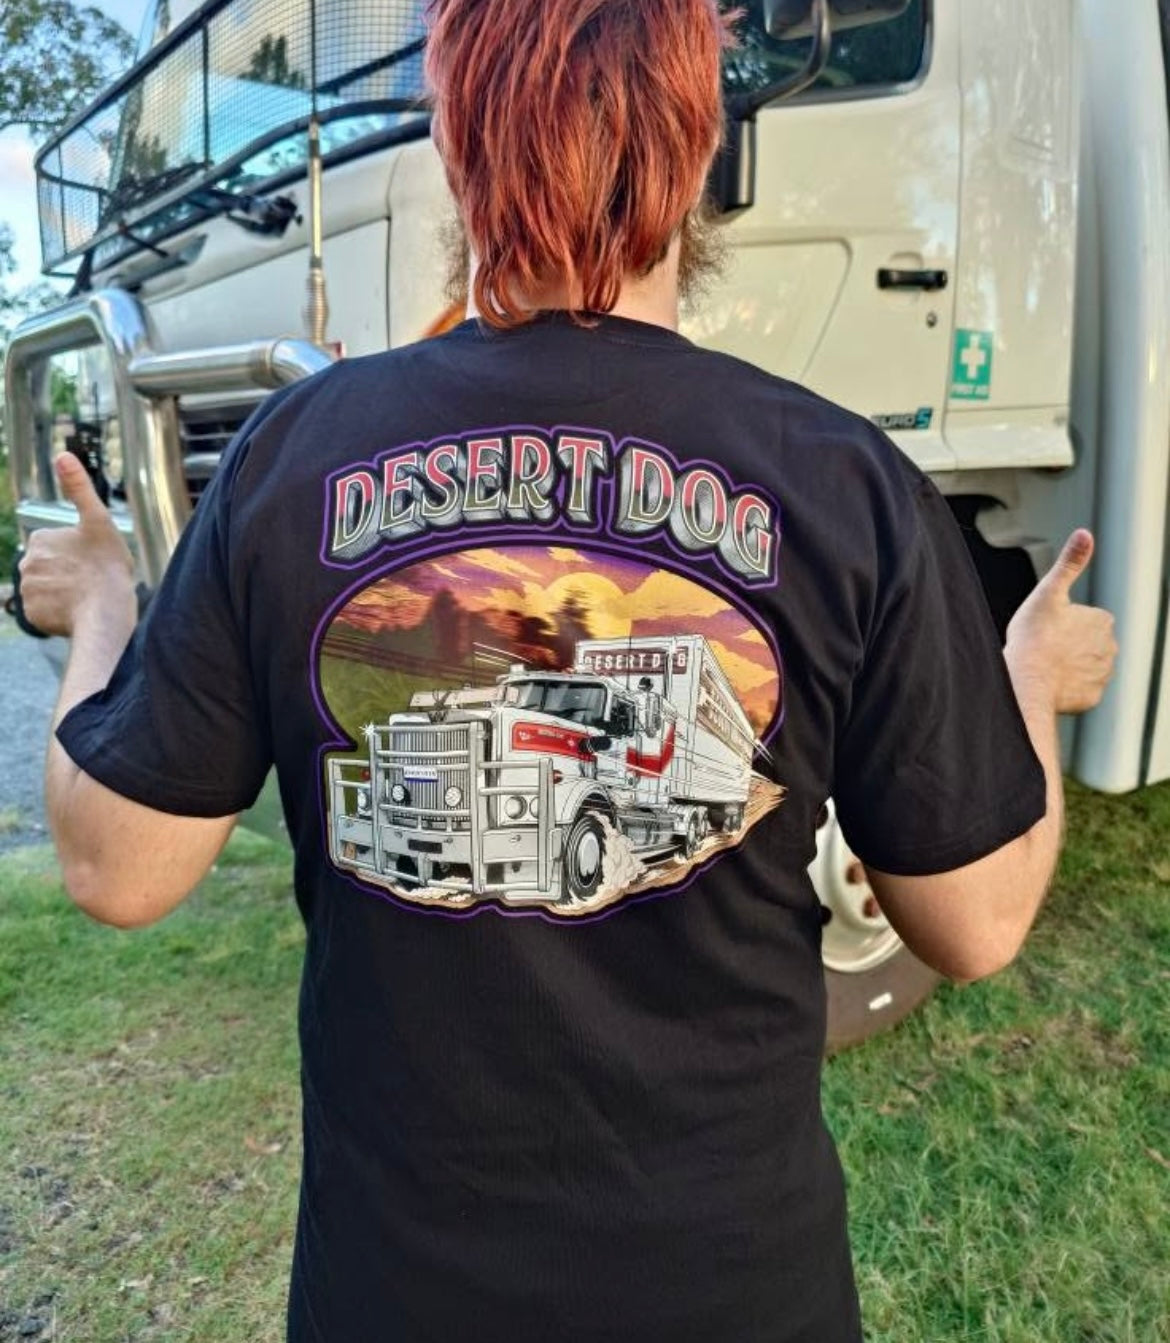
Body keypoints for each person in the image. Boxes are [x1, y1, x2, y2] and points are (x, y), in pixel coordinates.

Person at [19, 1, 1117, 1339]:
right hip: (737, 1296)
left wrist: (101, 609)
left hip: (394, 1295)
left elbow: (117, 868)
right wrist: (1028, 679)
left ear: (458, 136)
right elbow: (977, 923)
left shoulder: (293, 456)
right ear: (697, 137)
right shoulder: (848, 486)